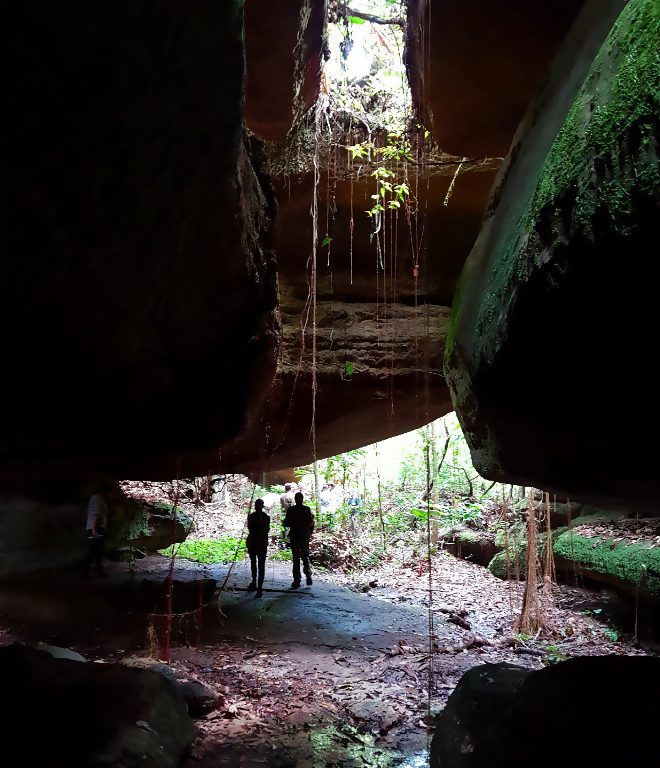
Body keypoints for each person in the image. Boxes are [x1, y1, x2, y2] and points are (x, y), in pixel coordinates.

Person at [283, 491, 314, 588]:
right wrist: (308, 533)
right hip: (304, 535)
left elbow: (286, 523)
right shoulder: (306, 509)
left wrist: (292, 524)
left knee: (296, 558)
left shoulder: (291, 510)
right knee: (305, 556)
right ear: (302, 499)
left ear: (295, 500)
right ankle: (308, 575)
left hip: (295, 535)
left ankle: (297, 580)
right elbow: (311, 523)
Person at [246, 498, 270, 598]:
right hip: (262, 543)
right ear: (262, 506)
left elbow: (250, 528)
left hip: (253, 542)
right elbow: (267, 530)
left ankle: (254, 582)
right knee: (261, 564)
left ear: (255, 506)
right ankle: (259, 586)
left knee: (253, 563)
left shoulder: (251, 516)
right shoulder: (266, 517)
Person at [85, 484, 110, 577]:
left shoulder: (100, 499)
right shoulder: (97, 499)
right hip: (95, 528)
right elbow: (95, 514)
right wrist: (94, 530)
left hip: (97, 528)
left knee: (98, 551)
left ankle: (98, 571)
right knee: (93, 551)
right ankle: (85, 572)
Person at [278, 483, 296, 549]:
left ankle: (281, 543)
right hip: (291, 514)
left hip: (283, 513)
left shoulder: (282, 496)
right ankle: (288, 544)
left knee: (283, 529)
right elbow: (293, 505)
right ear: (290, 488)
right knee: (291, 529)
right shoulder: (292, 495)